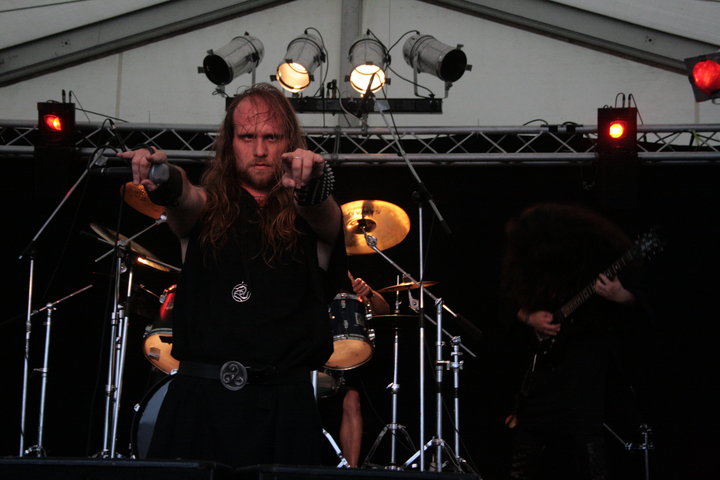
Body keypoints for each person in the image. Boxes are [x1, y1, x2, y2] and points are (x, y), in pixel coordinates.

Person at [118, 83, 346, 468]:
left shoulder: (309, 218)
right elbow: (184, 195)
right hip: (200, 406)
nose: (260, 150)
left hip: (283, 410)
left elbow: (324, 215)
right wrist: (162, 175)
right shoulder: (206, 208)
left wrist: (312, 186)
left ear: (289, 142)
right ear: (229, 143)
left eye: (271, 137)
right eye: (247, 137)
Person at [499, 203, 653, 480]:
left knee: (586, 430)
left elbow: (643, 307)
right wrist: (530, 317)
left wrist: (620, 295)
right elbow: (506, 302)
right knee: (530, 431)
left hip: (587, 358)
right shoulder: (530, 265)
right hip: (544, 365)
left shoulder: (598, 252)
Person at [328, 274, 390, 468]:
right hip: (302, 357)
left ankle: (351, 470)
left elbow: (383, 310)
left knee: (352, 398)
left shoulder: (344, 274)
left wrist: (369, 293)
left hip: (338, 358)